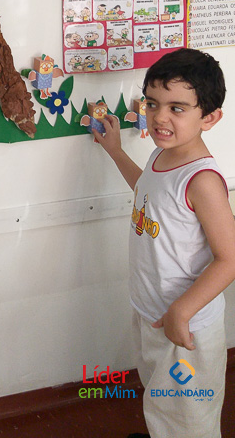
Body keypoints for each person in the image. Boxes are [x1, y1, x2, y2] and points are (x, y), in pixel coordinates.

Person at [93, 48, 235, 438]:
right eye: (153, 103)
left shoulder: (202, 180)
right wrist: (116, 151)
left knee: (188, 419)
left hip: (185, 325)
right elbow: (147, 191)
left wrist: (181, 312)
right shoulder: (164, 155)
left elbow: (229, 258)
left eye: (177, 108)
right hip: (153, 311)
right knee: (162, 401)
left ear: (209, 118)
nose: (159, 117)